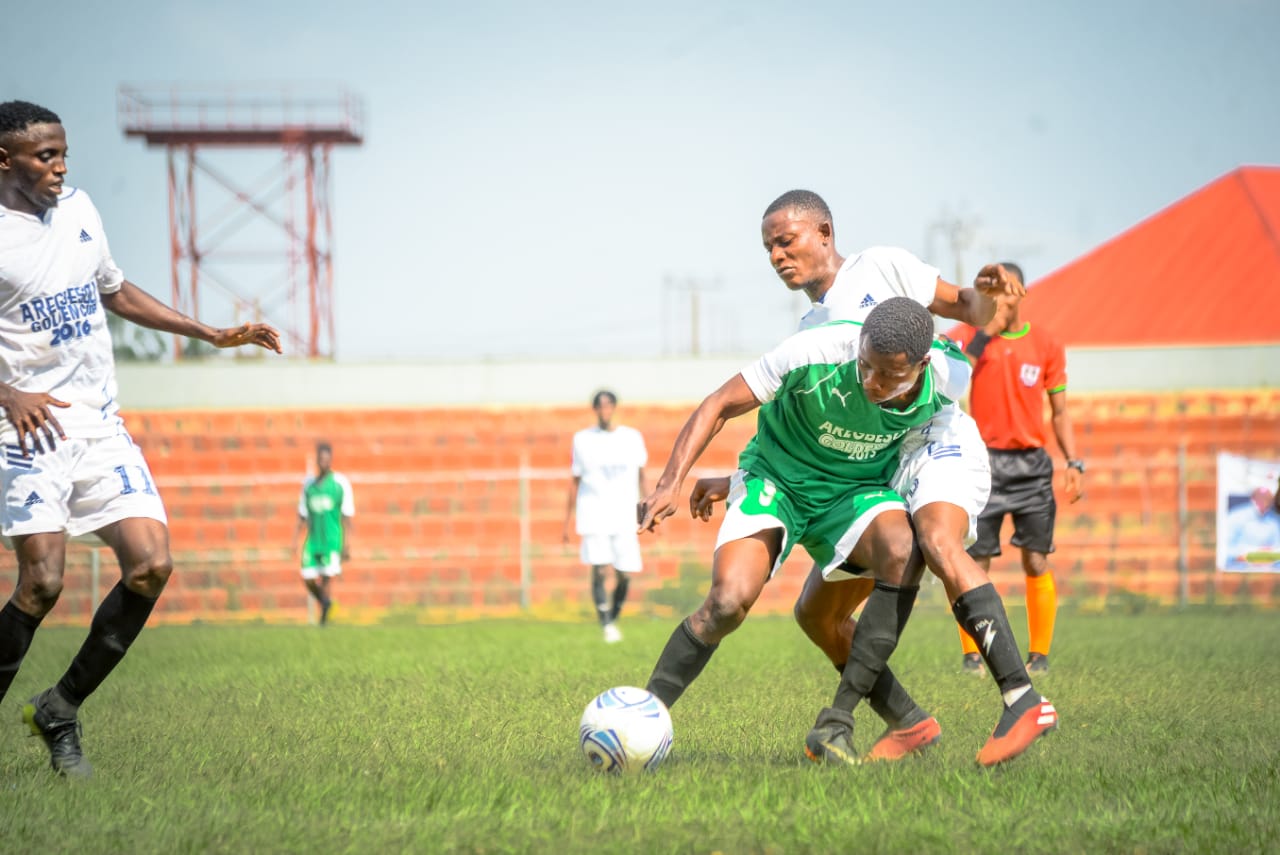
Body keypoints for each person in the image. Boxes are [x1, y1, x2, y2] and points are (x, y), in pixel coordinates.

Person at [692, 190, 1053, 765]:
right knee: (817, 614)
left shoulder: (882, 266)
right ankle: (908, 723)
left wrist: (987, 296)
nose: (777, 256)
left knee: (934, 541)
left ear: (824, 233)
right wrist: (736, 480)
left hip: (933, 437)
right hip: (881, 462)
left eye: (785, 241)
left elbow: (968, 308)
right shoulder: (812, 330)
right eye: (768, 248)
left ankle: (1021, 697)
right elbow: (807, 432)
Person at [0, 100, 281, 777]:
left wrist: (209, 332)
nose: (60, 167)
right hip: (26, 428)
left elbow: (116, 290)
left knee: (151, 564)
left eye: (63, 154)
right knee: (42, 582)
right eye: (45, 156)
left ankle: (60, 707)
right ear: (4, 160)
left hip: (99, 424)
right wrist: (9, 393)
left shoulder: (81, 211)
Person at [948, 271, 1082, 674]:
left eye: (1004, 294)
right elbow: (954, 379)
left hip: (1031, 467)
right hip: (983, 463)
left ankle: (1038, 656)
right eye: (991, 296)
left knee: (1036, 559)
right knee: (975, 560)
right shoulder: (973, 340)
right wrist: (985, 333)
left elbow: (1060, 411)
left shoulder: (1045, 344)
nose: (999, 303)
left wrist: (1073, 461)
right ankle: (973, 655)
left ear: (1020, 294)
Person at [563, 390, 647, 643]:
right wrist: (566, 522)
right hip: (594, 512)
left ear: (614, 407)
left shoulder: (632, 438)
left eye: (608, 405)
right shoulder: (582, 440)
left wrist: (649, 510)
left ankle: (613, 616)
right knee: (600, 568)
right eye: (600, 406)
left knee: (625, 572)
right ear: (595, 409)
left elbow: (642, 477)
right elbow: (575, 482)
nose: (604, 410)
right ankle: (606, 623)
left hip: (625, 514)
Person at [292, 442, 355, 625]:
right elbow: (302, 515)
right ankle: (326, 603)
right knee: (308, 577)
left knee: (327, 578)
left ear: (331, 460)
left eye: (327, 459)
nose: (324, 462)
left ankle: (324, 619)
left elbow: (347, 517)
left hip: (332, 540)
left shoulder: (339, 483)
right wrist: (294, 540)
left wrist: (347, 544)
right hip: (313, 540)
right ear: (317, 460)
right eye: (321, 459)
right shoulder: (309, 485)